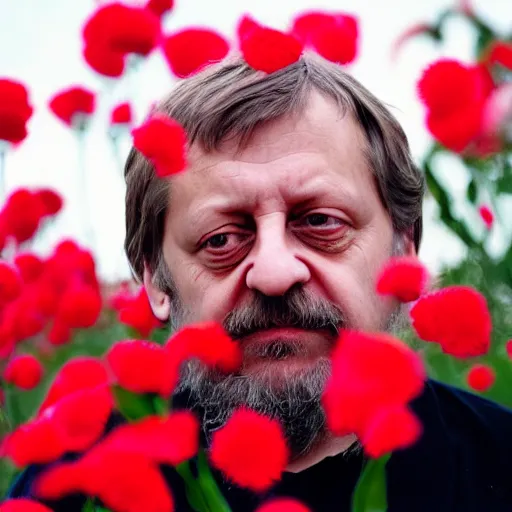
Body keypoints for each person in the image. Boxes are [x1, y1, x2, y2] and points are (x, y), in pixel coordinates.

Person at [7, 53, 512, 511]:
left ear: (403, 249)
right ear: (154, 281)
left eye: (321, 223)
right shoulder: (71, 490)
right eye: (222, 239)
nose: (273, 273)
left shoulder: (501, 463)